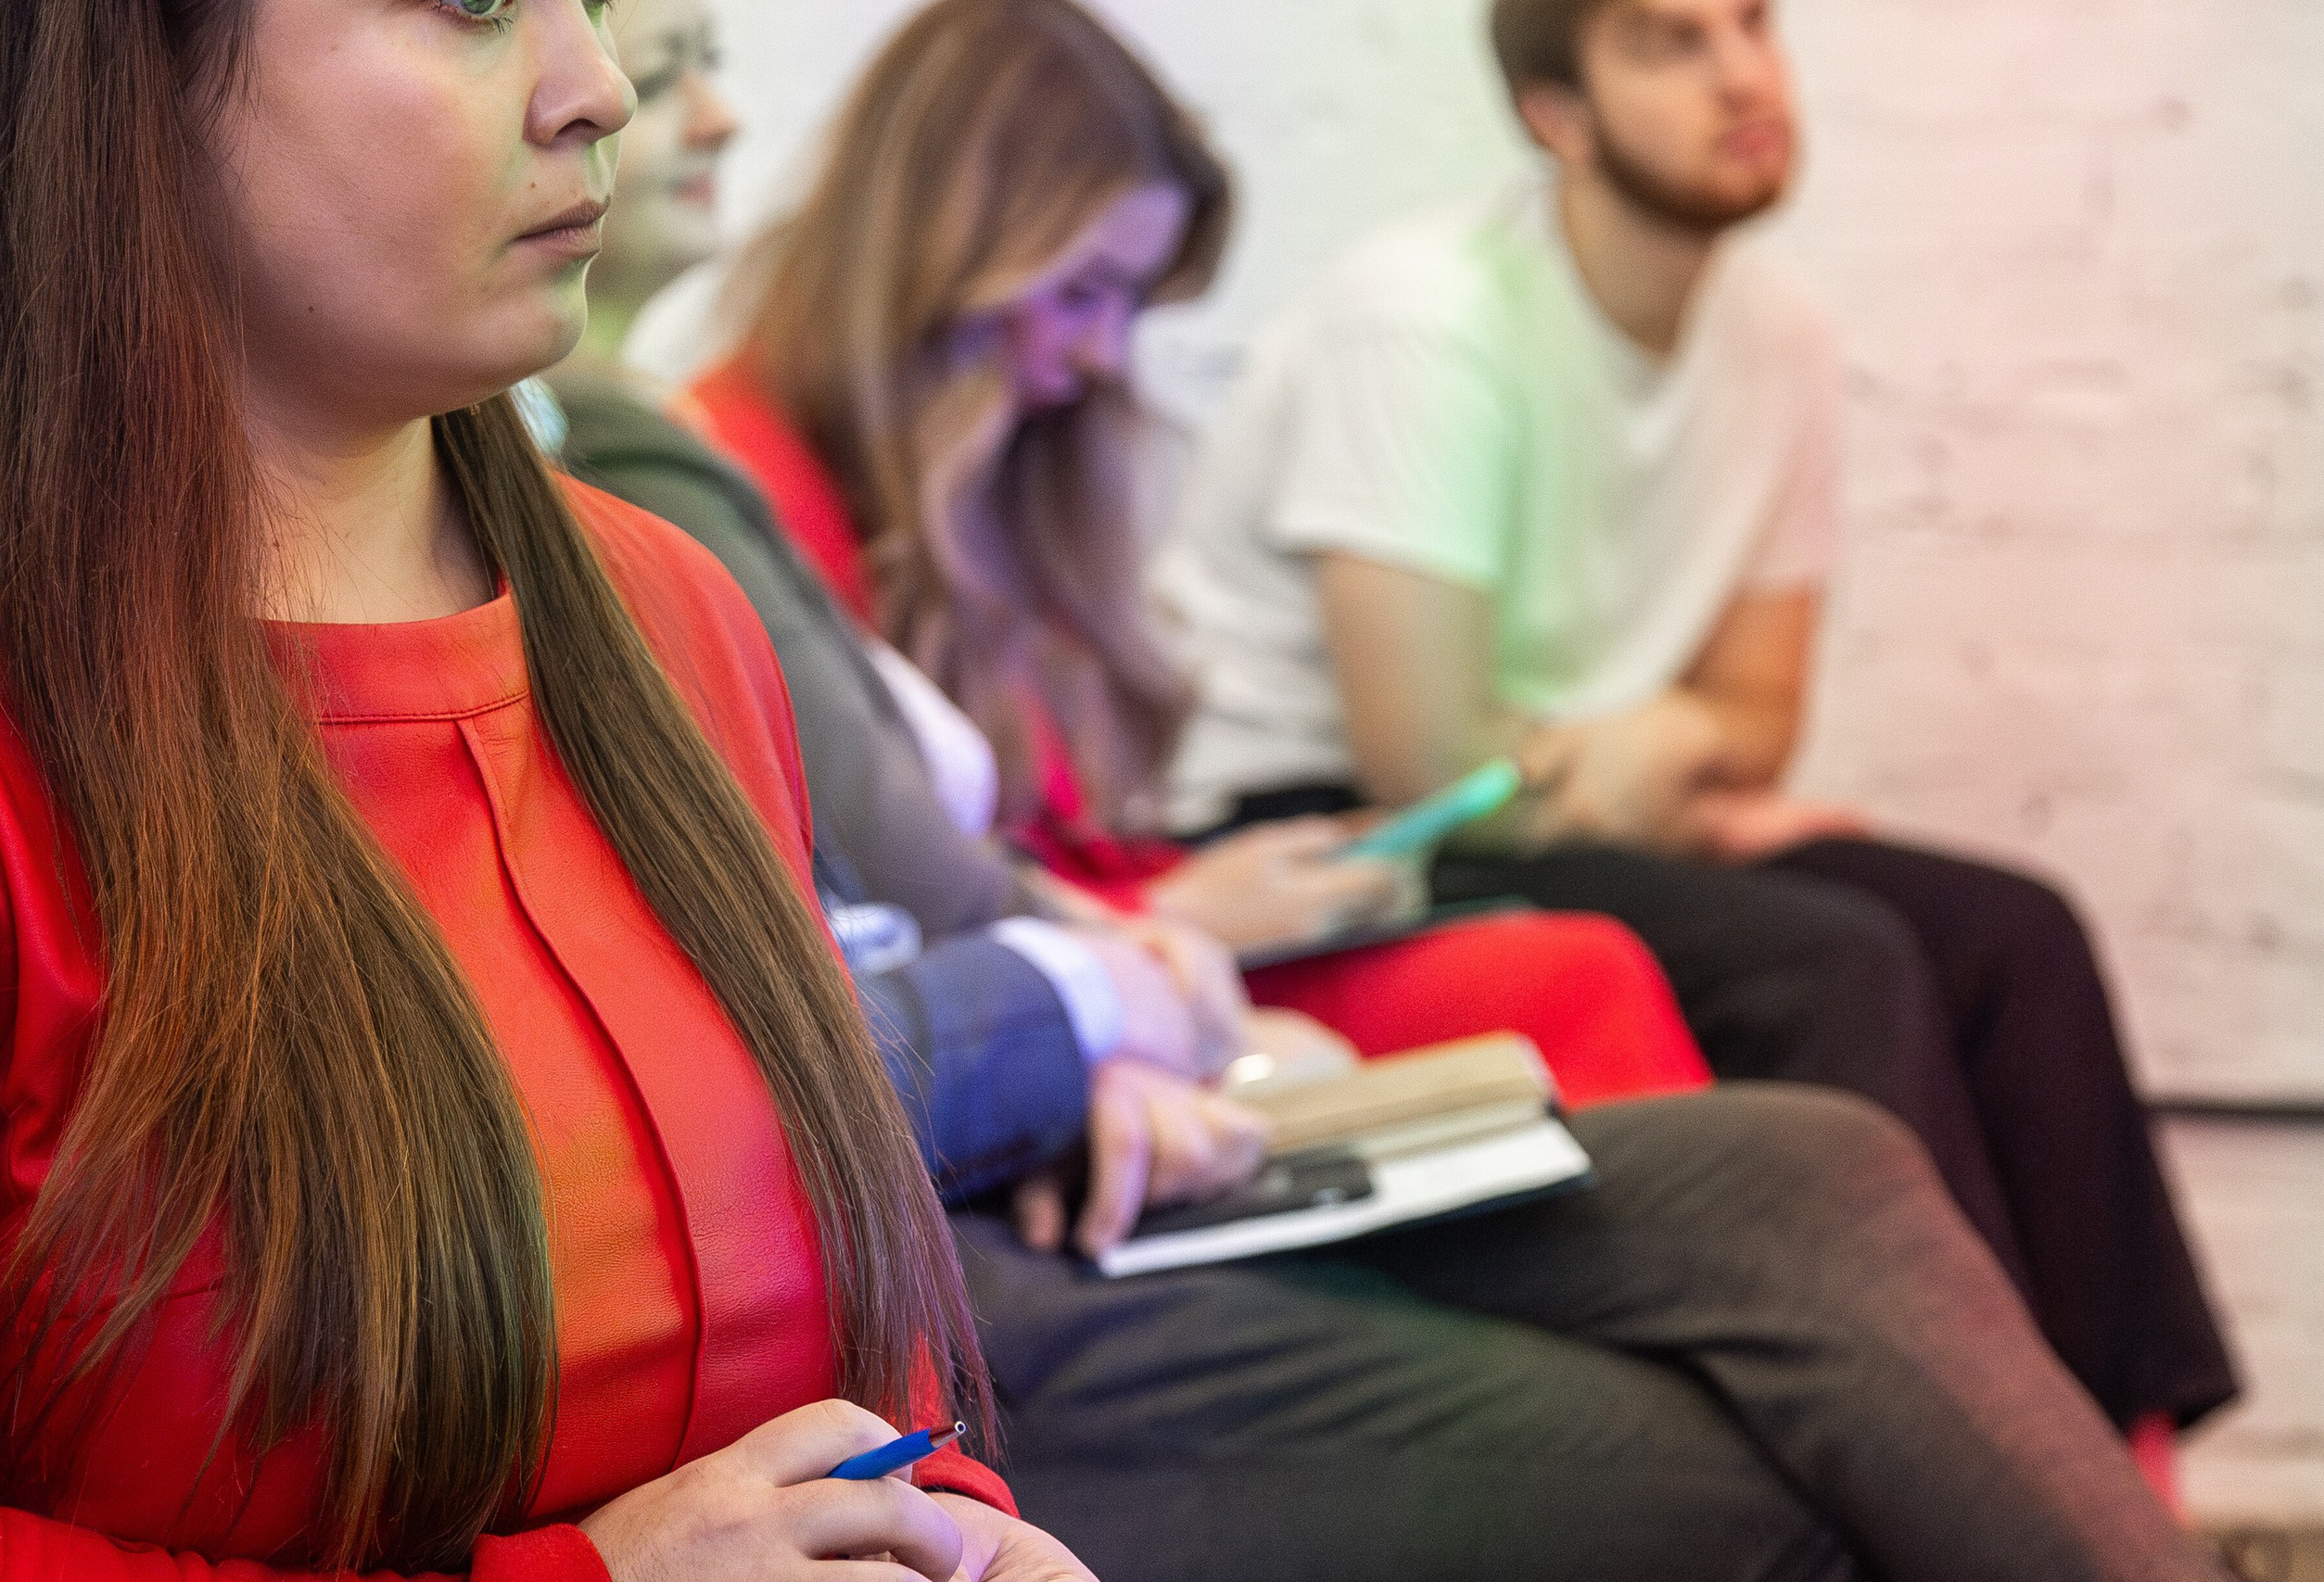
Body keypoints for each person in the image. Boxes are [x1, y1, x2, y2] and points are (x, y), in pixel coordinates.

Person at [586, 2, 2226, 1576]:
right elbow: (1399, 765)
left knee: (1968, 982)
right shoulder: (663, 478)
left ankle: (2102, 1460)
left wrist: (1119, 974)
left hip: (1113, 1012)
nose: (1096, 356)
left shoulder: (838, 479)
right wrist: (1128, 976)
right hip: (1078, 1074)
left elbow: (1746, 716)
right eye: (1082, 291)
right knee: (1725, 1038)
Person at [0, 3, 1096, 1580]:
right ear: (116, 62)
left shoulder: (665, 616)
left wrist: (955, 1534)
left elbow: (852, 1387)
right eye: (475, 3)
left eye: (598, 2)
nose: (599, 90)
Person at [1152, 0, 2238, 1439]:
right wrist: (1663, 748)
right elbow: (1429, 758)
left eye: (1752, 24)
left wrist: (1634, 752)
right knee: (1829, 962)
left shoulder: (1776, 333)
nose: (1743, 75)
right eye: (1671, 42)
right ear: (1559, 113)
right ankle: (1948, 1452)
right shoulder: (1423, 318)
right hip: (1335, 834)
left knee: (2013, 937)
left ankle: (2101, 1462)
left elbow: (1756, 724)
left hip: (1585, 807)